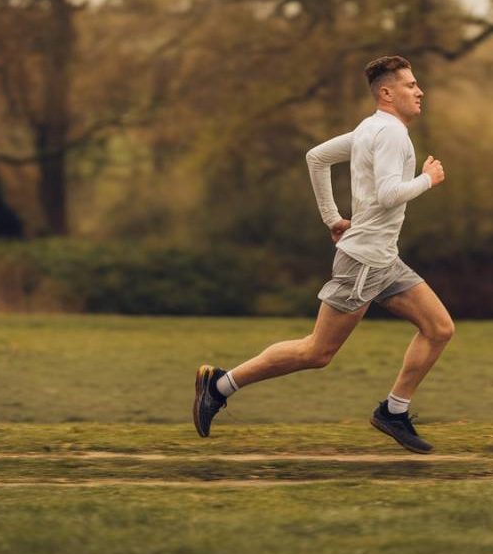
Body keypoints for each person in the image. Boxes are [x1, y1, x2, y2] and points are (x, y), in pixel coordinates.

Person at [193, 55, 454, 454]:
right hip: (365, 262)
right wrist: (427, 179)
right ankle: (220, 385)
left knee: (439, 328)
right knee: (317, 352)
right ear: (387, 93)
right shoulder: (391, 135)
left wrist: (333, 218)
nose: (419, 92)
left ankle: (393, 411)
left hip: (383, 259)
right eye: (410, 85)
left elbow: (316, 157)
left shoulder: (369, 128)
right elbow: (387, 195)